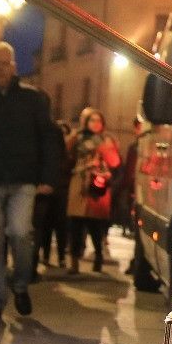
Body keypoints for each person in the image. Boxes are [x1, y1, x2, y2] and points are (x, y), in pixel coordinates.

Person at [0, 41, 59, 322]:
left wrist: (48, 177)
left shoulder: (33, 99)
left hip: (23, 180)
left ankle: (20, 285)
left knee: (20, 233)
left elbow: (49, 139)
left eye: (4, 64)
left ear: (14, 66)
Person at [65, 107, 120, 274]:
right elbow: (67, 157)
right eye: (92, 120)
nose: (96, 124)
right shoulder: (77, 138)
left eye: (99, 121)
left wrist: (103, 150)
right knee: (76, 225)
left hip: (98, 187)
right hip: (79, 184)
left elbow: (115, 162)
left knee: (96, 226)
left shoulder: (106, 140)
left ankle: (98, 257)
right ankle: (74, 261)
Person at [33, 118, 71, 272]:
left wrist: (49, 181)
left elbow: (59, 159)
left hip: (53, 187)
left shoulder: (53, 133)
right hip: (42, 186)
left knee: (49, 225)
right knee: (41, 226)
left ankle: (34, 263)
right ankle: (39, 259)